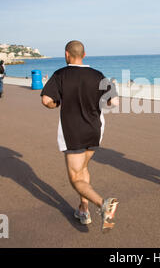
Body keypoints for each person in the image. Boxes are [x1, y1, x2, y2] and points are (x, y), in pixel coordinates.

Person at [40, 40, 120, 232]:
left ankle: (103, 205)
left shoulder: (61, 74)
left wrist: (55, 105)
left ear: (67, 54)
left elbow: (46, 100)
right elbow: (114, 102)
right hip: (94, 130)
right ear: (84, 55)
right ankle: (83, 210)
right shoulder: (98, 75)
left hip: (73, 132)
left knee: (75, 178)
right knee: (82, 170)